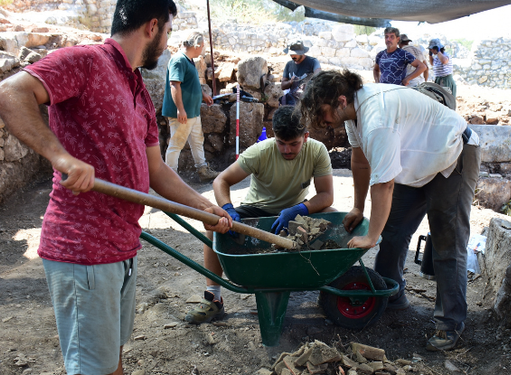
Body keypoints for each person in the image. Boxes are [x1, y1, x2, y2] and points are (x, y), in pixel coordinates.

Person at [0, 1, 233, 374]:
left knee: (112, 360)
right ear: (152, 26)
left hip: (121, 245)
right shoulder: (85, 61)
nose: (168, 42)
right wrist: (61, 158)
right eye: (169, 32)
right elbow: (11, 91)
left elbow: (155, 169)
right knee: (95, 368)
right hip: (83, 249)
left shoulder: (136, 87)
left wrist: (202, 205)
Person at [298, 70, 480, 352]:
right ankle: (390, 295)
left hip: (451, 155)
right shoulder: (353, 112)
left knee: (448, 242)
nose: (322, 120)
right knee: (392, 231)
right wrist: (358, 207)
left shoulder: (376, 120)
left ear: (341, 100)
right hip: (417, 160)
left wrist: (370, 237)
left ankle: (449, 323)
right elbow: (359, 161)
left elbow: (383, 183)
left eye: (322, 112)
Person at [184, 105, 334, 324]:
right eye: (281, 143)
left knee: (332, 216)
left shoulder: (317, 150)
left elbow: (326, 195)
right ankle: (213, 298)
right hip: (257, 209)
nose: (287, 150)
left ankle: (327, 285)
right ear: (273, 136)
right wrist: (227, 209)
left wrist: (300, 208)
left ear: (306, 137)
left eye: (294, 144)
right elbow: (220, 180)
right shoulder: (261, 151)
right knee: (215, 226)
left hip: (294, 212)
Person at [162, 31, 219, 182]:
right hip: (183, 113)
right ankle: (170, 178)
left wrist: (202, 95)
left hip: (192, 112)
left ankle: (202, 169)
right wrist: (180, 109)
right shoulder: (179, 60)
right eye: (203, 45)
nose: (203, 48)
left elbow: (189, 83)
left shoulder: (188, 61)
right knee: (176, 144)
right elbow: (174, 84)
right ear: (197, 45)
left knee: (197, 140)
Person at [281, 40, 321, 105]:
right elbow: (283, 86)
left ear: (302, 52)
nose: (292, 56)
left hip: (307, 100)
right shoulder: (289, 64)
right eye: (291, 54)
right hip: (292, 101)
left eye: (295, 54)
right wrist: (290, 82)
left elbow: (319, 77)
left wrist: (308, 83)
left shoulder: (313, 62)